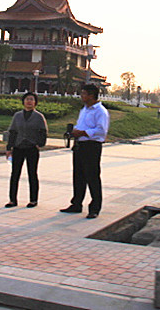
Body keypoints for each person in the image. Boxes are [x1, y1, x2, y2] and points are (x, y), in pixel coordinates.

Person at [60, 84, 110, 219]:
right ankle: (76, 203)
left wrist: (83, 132)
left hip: (92, 146)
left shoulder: (100, 111)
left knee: (92, 176)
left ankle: (95, 207)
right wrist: (74, 132)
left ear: (91, 95)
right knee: (78, 175)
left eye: (84, 94)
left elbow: (101, 131)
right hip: (80, 145)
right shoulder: (84, 110)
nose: (81, 96)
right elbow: (80, 125)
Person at [5, 92, 48, 208]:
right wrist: (9, 148)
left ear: (35, 102)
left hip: (32, 149)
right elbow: (13, 132)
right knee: (15, 174)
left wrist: (40, 144)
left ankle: (33, 199)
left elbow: (43, 132)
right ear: (23, 101)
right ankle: (12, 200)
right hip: (18, 148)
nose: (29, 101)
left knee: (32, 174)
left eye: (32, 99)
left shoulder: (39, 117)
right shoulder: (17, 116)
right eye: (27, 99)